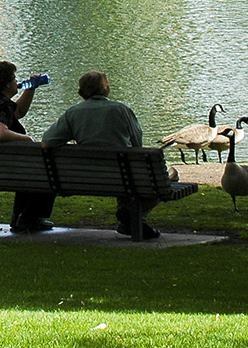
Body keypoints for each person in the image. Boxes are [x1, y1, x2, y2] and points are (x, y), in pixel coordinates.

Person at [40, 71, 160, 239]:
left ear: (81, 92)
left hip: (85, 177)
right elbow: (137, 145)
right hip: (123, 177)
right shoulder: (122, 110)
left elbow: (47, 142)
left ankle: (129, 219)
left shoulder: (73, 113)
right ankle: (131, 216)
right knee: (161, 177)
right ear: (106, 90)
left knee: (131, 175)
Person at [0, 61, 55, 233]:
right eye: (14, 78)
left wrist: (30, 89)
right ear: (7, 83)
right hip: (2, 167)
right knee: (48, 170)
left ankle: (21, 218)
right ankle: (29, 218)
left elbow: (18, 112)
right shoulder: (1, 104)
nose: (17, 81)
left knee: (30, 169)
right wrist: (26, 139)